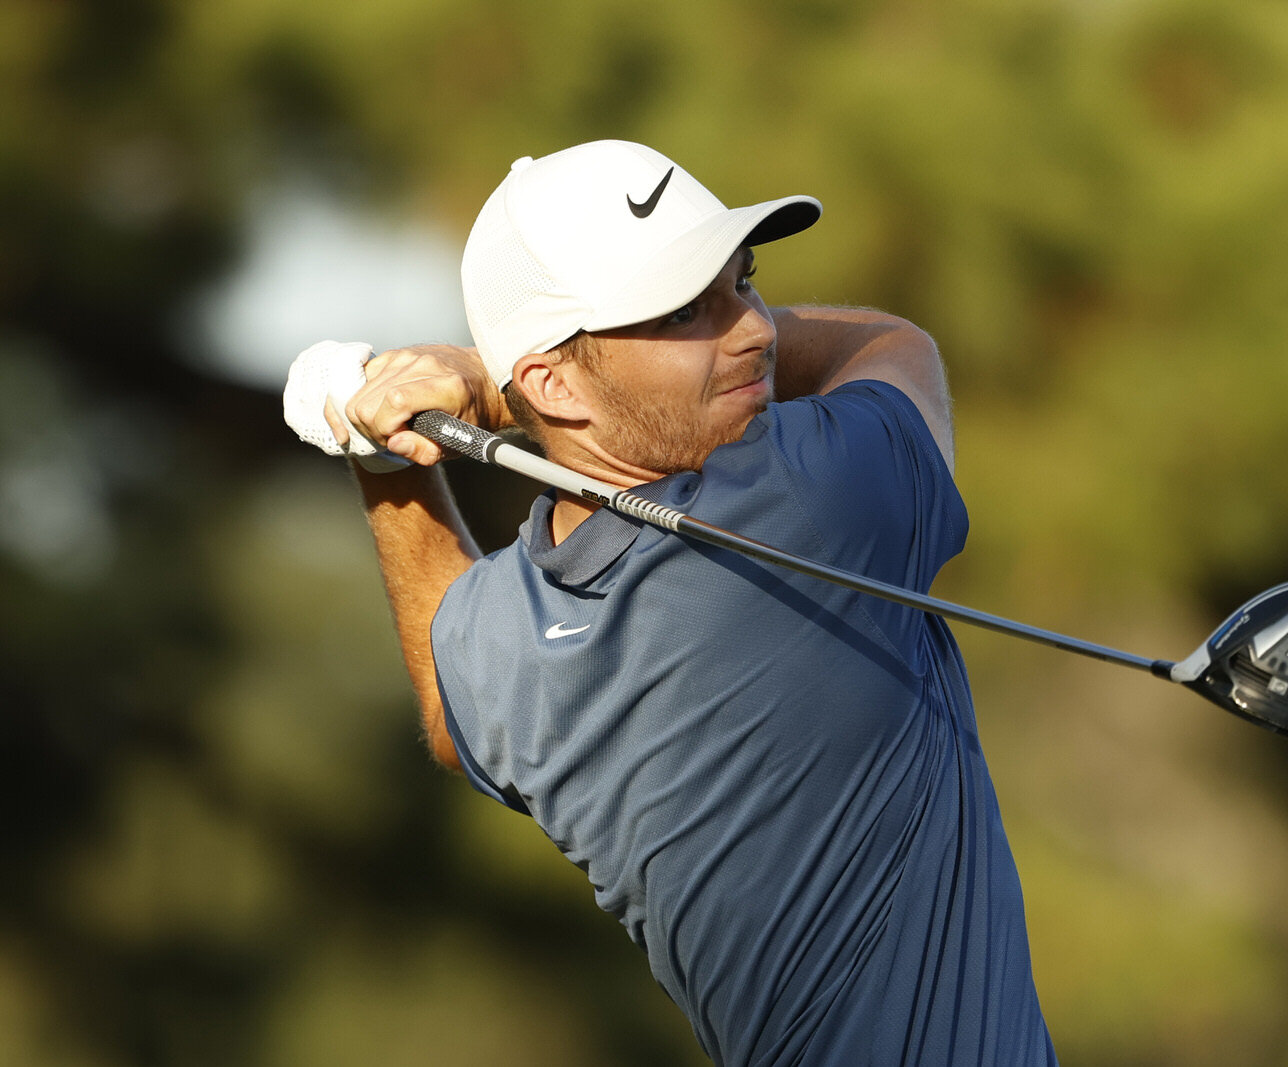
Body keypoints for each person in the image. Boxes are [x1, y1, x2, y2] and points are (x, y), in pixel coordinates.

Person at [286, 140, 1058, 1066]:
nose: (756, 329)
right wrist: (485, 384)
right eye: (686, 309)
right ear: (554, 383)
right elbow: (889, 346)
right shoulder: (811, 501)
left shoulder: (507, 646)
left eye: (745, 281)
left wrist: (383, 462)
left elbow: (449, 712)